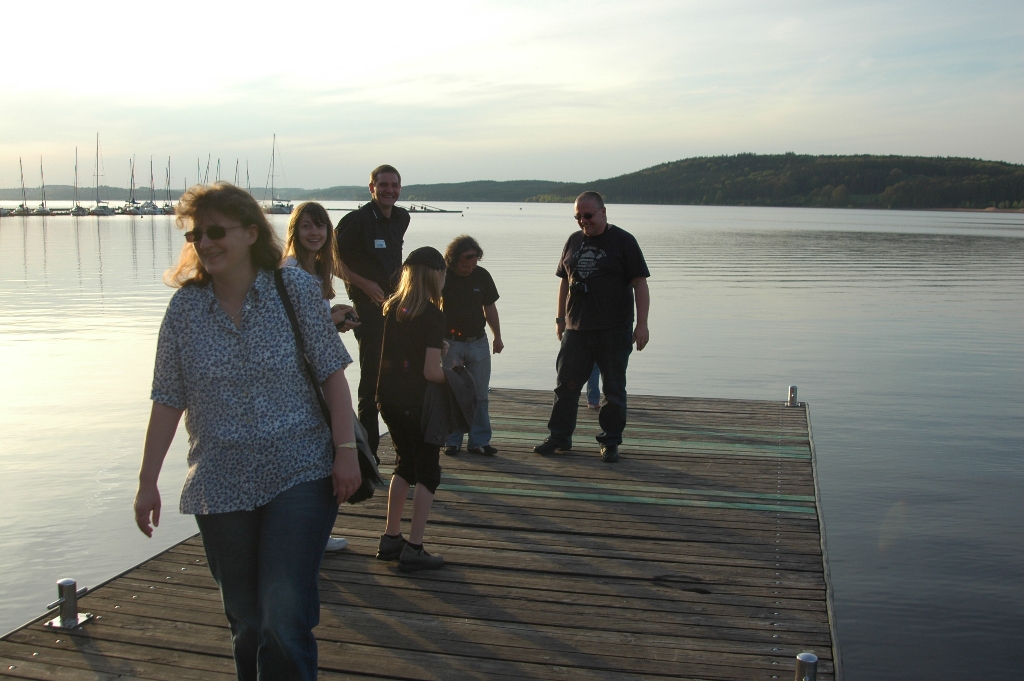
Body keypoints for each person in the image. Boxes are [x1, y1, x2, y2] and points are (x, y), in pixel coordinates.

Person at [134, 183, 362, 681]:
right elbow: (167, 398)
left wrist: (345, 450)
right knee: (247, 622)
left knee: (284, 612)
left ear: (252, 233)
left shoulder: (294, 289)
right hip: (220, 481)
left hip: (300, 468)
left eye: (216, 232)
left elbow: (332, 374)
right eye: (196, 235)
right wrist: (147, 481)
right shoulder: (185, 311)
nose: (205, 243)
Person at [534, 191, 650, 463]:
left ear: (603, 212)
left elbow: (640, 284)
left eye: (588, 215)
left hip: (614, 328)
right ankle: (559, 437)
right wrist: (560, 319)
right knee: (566, 387)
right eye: (578, 217)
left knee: (613, 389)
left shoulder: (624, 241)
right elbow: (564, 281)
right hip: (576, 329)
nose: (583, 221)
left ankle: (610, 441)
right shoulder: (573, 240)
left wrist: (642, 324)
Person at [283, 201, 360, 553]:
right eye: (306, 226)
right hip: (298, 381)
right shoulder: (290, 271)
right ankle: (308, 534)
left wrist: (333, 320)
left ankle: (312, 531)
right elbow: (287, 331)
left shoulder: (313, 270)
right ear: (294, 231)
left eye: (320, 226)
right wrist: (331, 321)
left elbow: (308, 329)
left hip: (313, 373)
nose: (315, 233)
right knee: (314, 454)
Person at [375, 247, 449, 572]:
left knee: (405, 464)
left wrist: (435, 348)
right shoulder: (433, 314)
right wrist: (457, 378)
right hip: (416, 404)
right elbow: (431, 372)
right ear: (436, 276)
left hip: (388, 399)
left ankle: (391, 538)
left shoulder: (394, 308)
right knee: (428, 472)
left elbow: (406, 350)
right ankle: (415, 548)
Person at [335, 165, 409, 457]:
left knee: (398, 380)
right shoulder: (356, 221)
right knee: (372, 386)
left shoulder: (401, 218)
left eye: (394, 185)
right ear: (372, 188)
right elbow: (330, 260)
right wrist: (363, 284)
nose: (389, 190)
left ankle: (404, 450)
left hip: (396, 308)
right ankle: (368, 454)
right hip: (368, 311)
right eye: (383, 185)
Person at [440, 235, 503, 456]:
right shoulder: (442, 277)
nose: (469, 270)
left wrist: (497, 337)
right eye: (465, 266)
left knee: (480, 394)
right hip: (450, 343)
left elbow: (490, 308)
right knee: (453, 392)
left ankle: (479, 441)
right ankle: (452, 440)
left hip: (478, 342)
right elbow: (432, 308)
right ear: (453, 260)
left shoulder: (482, 275)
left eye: (473, 265)